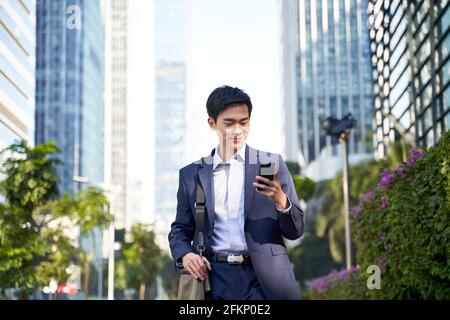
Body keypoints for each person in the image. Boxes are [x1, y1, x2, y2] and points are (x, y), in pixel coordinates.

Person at [168, 85, 304, 300]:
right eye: (229, 123)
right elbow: (180, 229)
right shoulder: (191, 175)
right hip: (214, 279)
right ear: (212, 123)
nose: (238, 130)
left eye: (244, 121)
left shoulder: (271, 164)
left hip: (265, 282)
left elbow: (295, 231)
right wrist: (185, 254)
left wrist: (280, 200)